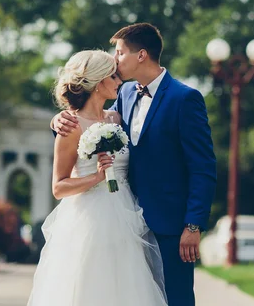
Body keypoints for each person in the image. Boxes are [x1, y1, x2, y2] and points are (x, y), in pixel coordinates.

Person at [52, 23, 217, 306]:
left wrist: (193, 225)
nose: (114, 60)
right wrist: (56, 121)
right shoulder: (124, 96)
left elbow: (203, 167)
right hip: (125, 221)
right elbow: (89, 125)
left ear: (141, 55)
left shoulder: (185, 99)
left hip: (170, 225)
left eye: (119, 53)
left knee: (175, 299)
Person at [28, 50, 168, 306]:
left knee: (126, 288)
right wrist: (97, 177)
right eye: (113, 76)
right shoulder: (71, 126)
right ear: (97, 81)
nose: (119, 82)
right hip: (89, 219)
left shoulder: (116, 118)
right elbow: (58, 187)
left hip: (126, 215)